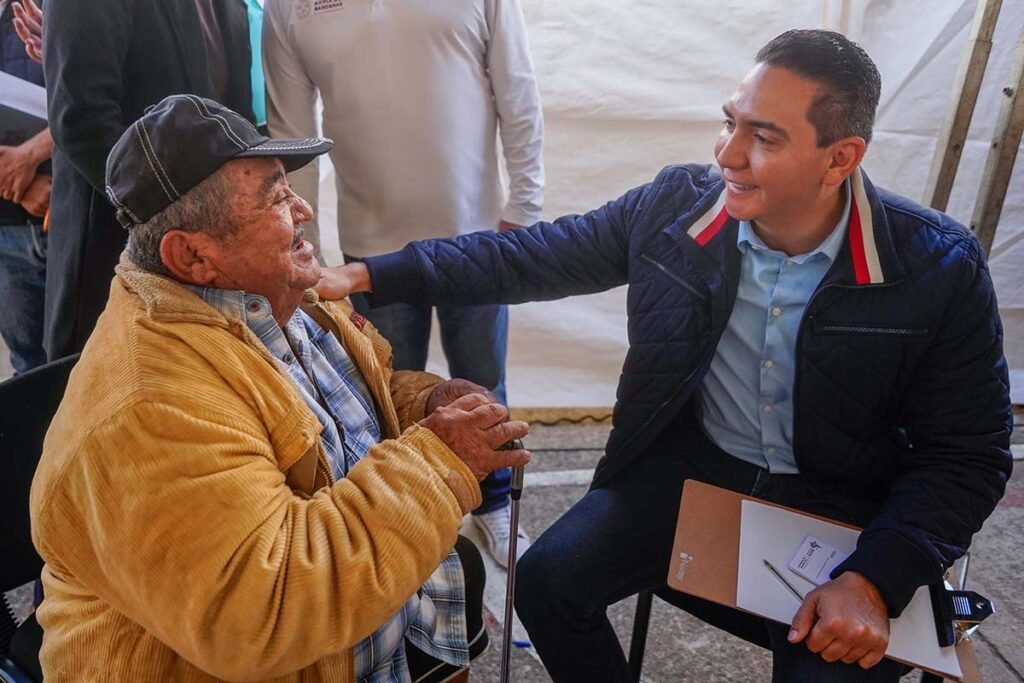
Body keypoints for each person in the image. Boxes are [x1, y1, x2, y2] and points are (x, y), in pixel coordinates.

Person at [317, 29, 1013, 682]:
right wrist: (368, 274)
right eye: (730, 120)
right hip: (696, 471)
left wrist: (876, 577)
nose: (729, 153)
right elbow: (527, 257)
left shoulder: (936, 266)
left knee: (831, 660)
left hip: (850, 506)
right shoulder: (672, 208)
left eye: (763, 136)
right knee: (549, 583)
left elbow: (969, 453)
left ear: (841, 157)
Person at [30, 95, 531, 683]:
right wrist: (439, 459)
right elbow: (268, 614)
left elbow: (332, 407)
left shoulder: (270, 292)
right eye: (273, 195)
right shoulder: (150, 406)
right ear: (192, 254)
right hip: (270, 653)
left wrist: (422, 404)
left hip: (358, 632)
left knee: (459, 569)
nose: (303, 210)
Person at [262, 0, 545, 567]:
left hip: (477, 239)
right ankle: (407, 522)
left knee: (481, 386)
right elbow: (291, 134)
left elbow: (517, 92)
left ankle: (492, 506)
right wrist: (293, 248)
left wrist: (526, 204)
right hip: (373, 247)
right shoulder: (287, 7)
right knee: (382, 396)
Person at [40, 0, 256, 361]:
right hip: (117, 246)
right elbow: (82, 121)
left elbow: (235, 119)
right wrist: (181, 218)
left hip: (213, 248)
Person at [0, 0, 50, 374]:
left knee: (88, 361)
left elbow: (94, 98)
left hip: (70, 215)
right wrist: (19, 180)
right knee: (29, 368)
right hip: (8, 228)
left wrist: (32, 156)